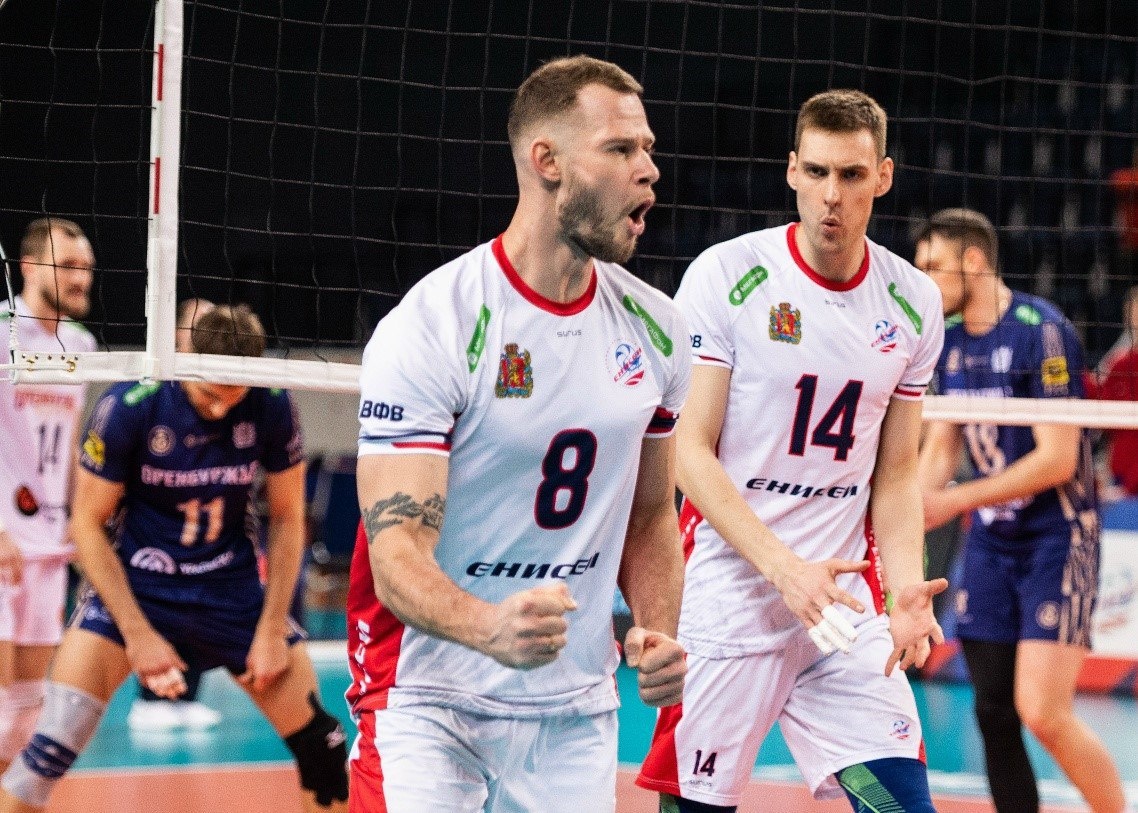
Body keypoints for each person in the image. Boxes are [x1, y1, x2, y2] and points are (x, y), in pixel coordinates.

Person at [346, 54, 690, 813]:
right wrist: (489, 627)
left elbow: (649, 515)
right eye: (620, 148)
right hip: (427, 700)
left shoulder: (659, 332)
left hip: (574, 712)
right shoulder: (434, 324)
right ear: (547, 161)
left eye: (648, 148)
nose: (649, 170)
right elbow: (395, 554)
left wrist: (657, 631)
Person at [636, 89, 948, 812]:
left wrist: (904, 592)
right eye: (816, 172)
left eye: (851, 174)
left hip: (842, 607)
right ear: (791, 171)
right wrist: (786, 572)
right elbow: (688, 452)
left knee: (905, 806)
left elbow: (896, 474)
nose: (831, 195)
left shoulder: (914, 301)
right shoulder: (727, 275)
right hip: (731, 595)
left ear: (883, 177)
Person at [0, 305, 349, 812]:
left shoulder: (272, 402)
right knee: (45, 753)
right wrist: (139, 637)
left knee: (325, 750)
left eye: (234, 395)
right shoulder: (130, 405)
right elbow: (87, 526)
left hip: (231, 593)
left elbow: (288, 517)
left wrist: (273, 628)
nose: (221, 409)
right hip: (139, 589)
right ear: (186, 362)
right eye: (210, 394)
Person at [915, 208, 1126, 813]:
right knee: (992, 710)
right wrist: (913, 508)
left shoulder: (1041, 331)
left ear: (974, 261)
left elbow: (1057, 459)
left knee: (1043, 712)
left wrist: (953, 501)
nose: (924, 280)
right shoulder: (948, 341)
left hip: (1057, 535)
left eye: (933, 266)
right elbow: (943, 443)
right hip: (991, 540)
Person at [0, 219, 96, 776]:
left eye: (87, 268)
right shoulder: (3, 331)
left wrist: (80, 521)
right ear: (30, 267)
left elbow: (73, 438)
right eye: (69, 266)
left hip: (49, 546)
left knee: (25, 717)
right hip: (3, 539)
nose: (81, 278)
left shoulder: (81, 345)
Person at [125, 297, 223, 732]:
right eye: (198, 325)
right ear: (177, 334)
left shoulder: (224, 395)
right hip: (155, 525)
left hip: (204, 529)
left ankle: (186, 695)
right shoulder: (151, 394)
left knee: (200, 608)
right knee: (156, 598)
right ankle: (149, 696)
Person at [1090, 285, 1138, 499]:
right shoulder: (1121, 362)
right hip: (1119, 477)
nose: (1134, 318)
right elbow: (1099, 402)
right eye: (1131, 311)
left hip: (1129, 484)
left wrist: (1128, 487)